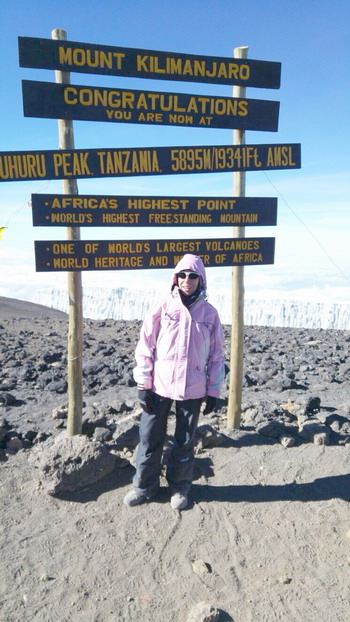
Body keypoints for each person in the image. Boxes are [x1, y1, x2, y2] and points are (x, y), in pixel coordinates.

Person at [123, 253, 225, 510]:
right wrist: (143, 383)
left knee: (185, 440)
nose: (187, 280)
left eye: (192, 276)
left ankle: (179, 487)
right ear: (175, 278)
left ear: (201, 280)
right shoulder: (162, 307)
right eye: (182, 275)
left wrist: (213, 391)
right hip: (159, 386)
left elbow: (216, 355)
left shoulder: (210, 314)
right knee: (149, 437)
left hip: (193, 389)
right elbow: (145, 345)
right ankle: (144, 487)